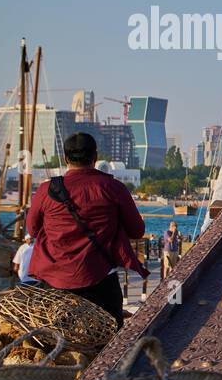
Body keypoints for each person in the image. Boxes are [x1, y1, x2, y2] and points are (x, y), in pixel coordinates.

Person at [26, 132, 148, 325]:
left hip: (55, 281)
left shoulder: (45, 190)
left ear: (65, 158)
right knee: (108, 344)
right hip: (100, 280)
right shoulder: (113, 188)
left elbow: (32, 230)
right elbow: (136, 230)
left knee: (56, 340)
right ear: (95, 158)